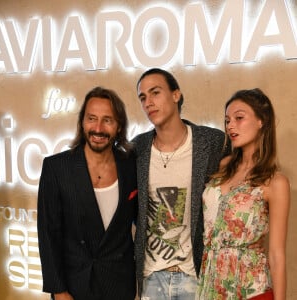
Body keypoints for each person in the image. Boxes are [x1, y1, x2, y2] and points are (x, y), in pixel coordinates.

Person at [132, 68, 228, 299]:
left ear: (176, 94)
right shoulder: (138, 148)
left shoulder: (212, 142)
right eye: (143, 97)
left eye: (155, 92)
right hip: (152, 274)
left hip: (195, 273)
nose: (148, 103)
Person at [37, 86, 138, 300]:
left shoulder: (131, 165)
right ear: (82, 122)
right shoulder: (56, 168)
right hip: (74, 285)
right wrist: (59, 290)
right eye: (91, 118)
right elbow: (48, 234)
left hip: (119, 285)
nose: (98, 128)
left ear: (119, 126)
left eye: (107, 120)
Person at [196, 88, 290, 300]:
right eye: (227, 120)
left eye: (239, 118)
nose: (230, 125)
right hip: (211, 287)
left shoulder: (275, 182)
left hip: (250, 289)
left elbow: (276, 254)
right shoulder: (223, 166)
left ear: (261, 121)